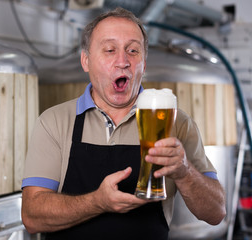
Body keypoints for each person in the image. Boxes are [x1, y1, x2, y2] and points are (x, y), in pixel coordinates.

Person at [21, 7, 226, 239]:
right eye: (109, 50)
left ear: (144, 64)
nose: (123, 61)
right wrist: (97, 202)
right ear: (86, 61)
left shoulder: (176, 123)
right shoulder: (55, 122)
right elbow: (31, 216)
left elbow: (216, 212)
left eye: (133, 50)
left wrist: (184, 171)